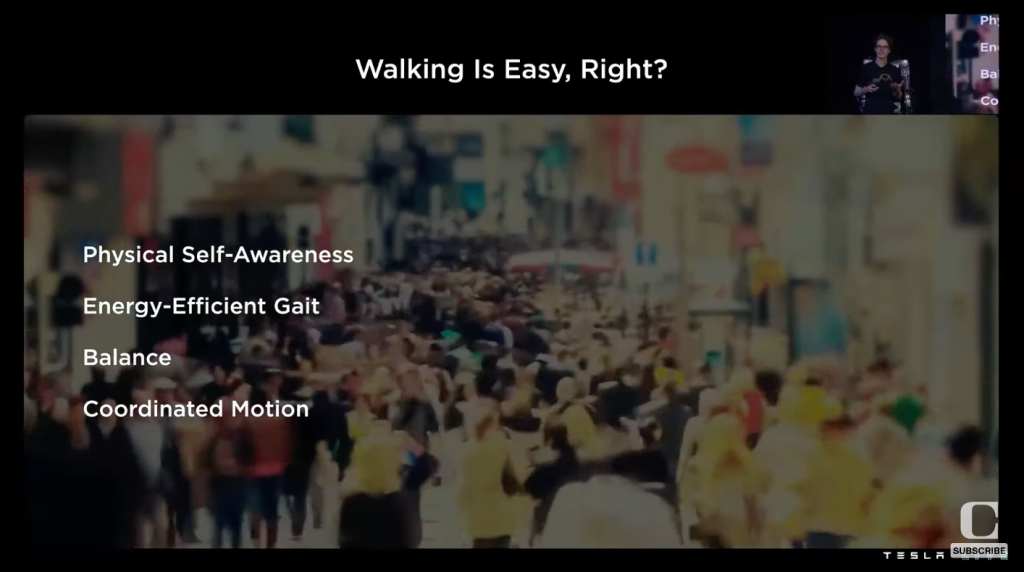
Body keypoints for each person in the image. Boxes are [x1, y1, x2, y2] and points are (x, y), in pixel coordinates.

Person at [854, 34, 904, 115]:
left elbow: (899, 97)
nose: (881, 49)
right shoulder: (866, 68)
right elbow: (856, 92)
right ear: (875, 49)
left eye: (885, 47)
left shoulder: (895, 70)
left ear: (889, 50)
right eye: (879, 46)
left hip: (888, 112)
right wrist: (865, 90)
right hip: (870, 112)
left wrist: (898, 90)